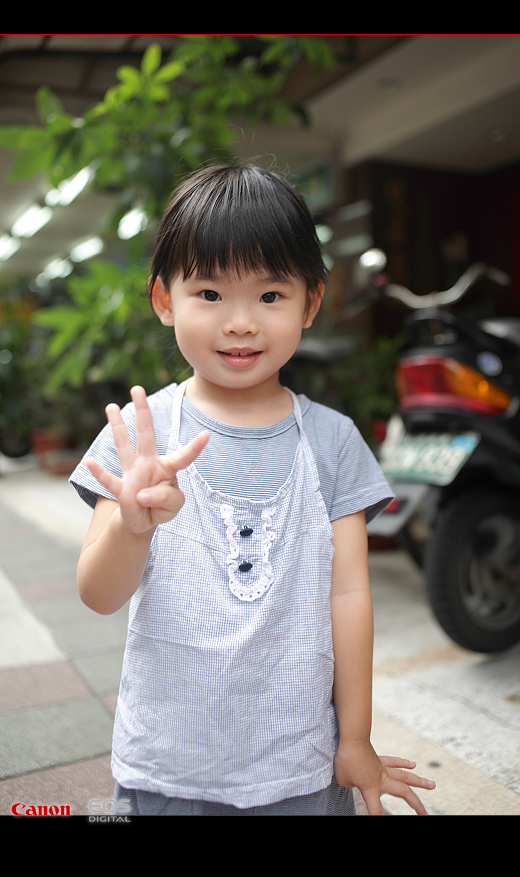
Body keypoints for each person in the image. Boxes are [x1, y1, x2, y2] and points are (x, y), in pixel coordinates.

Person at [71, 163, 435, 816]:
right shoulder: (140, 437)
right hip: (167, 769)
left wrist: (355, 737)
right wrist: (132, 524)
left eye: (270, 295)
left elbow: (349, 595)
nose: (240, 323)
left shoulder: (332, 441)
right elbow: (97, 596)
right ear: (164, 300)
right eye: (210, 293)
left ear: (310, 303)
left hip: (299, 767)